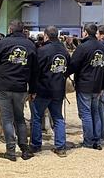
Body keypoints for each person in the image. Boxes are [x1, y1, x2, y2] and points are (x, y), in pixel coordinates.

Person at [0, 20, 37, 162]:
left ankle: (10, 151)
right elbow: (35, 70)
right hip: (21, 86)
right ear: (23, 30)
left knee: (7, 119)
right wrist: (33, 89)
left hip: (3, 86)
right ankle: (25, 149)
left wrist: (4, 68)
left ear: (10, 29)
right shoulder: (30, 45)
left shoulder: (2, 43)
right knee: (20, 118)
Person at [67, 24, 104, 150]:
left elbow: (74, 65)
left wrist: (64, 74)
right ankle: (97, 140)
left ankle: (88, 141)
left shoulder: (82, 48)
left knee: (86, 114)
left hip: (84, 85)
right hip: (98, 86)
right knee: (95, 112)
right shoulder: (103, 48)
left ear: (86, 33)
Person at [30, 26, 70, 157]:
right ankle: (60, 147)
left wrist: (32, 90)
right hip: (58, 89)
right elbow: (68, 69)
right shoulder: (64, 51)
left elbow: (35, 72)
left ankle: (36, 145)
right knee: (58, 118)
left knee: (36, 117)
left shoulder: (41, 50)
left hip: (43, 89)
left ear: (46, 36)